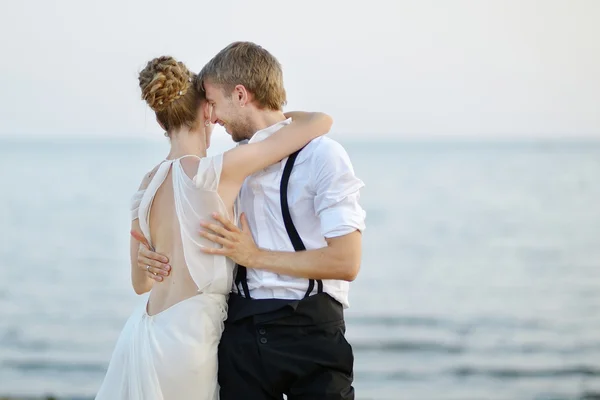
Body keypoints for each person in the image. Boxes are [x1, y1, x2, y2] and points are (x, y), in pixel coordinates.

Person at [95, 55, 333, 400]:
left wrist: (148, 257)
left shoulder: (145, 186)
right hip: (188, 343)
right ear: (207, 112)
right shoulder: (215, 172)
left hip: (143, 333)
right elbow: (318, 123)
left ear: (162, 122)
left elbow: (139, 283)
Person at [139, 42, 366, 400]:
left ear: (241, 94)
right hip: (239, 336)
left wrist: (256, 256)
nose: (210, 117)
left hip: (308, 331)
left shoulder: (323, 155)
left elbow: (346, 261)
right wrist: (152, 256)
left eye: (212, 103)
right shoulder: (228, 167)